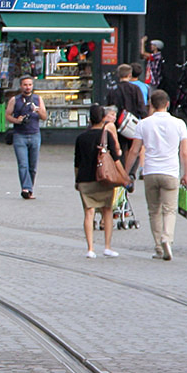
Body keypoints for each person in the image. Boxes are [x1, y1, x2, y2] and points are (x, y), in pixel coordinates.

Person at [123, 90, 187, 261]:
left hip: (151, 171)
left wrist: (126, 172)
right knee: (169, 210)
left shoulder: (143, 124)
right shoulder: (179, 124)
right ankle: (167, 239)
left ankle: (159, 247)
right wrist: (186, 173)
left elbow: (134, 151)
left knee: (154, 210)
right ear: (167, 104)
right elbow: (184, 152)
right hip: (170, 171)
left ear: (151, 105)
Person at [74, 104, 123, 259]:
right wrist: (124, 176)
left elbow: (77, 161)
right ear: (103, 118)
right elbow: (115, 159)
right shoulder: (106, 135)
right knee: (107, 211)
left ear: (89, 118)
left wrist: (77, 180)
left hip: (85, 179)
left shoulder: (81, 137)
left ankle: (90, 248)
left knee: (89, 212)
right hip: (104, 179)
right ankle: (107, 247)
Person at [6, 76, 48, 199]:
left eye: (29, 84)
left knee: (33, 166)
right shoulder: (15, 100)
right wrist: (16, 120)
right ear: (20, 86)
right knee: (23, 164)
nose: (27, 87)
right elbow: (8, 115)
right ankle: (26, 188)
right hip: (20, 135)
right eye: (25, 85)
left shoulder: (38, 99)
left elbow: (44, 116)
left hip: (35, 134)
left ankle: (30, 188)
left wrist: (38, 111)